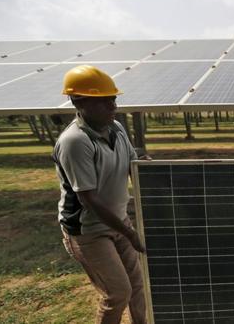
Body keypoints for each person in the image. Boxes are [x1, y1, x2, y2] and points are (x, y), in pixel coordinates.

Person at [52, 65, 147, 323]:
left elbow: (132, 165)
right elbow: (89, 199)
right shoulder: (75, 141)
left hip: (118, 221)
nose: (113, 105)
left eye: (113, 98)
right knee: (118, 293)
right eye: (104, 100)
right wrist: (129, 233)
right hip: (87, 230)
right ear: (78, 101)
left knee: (139, 286)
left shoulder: (116, 128)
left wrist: (154, 173)